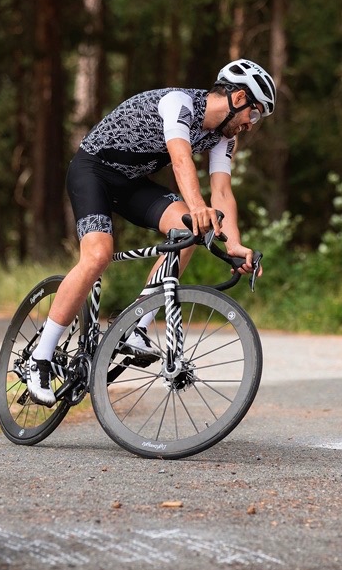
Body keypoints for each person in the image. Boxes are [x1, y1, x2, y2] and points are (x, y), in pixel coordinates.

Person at [25, 58, 276, 405]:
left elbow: (222, 192)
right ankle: (41, 357)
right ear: (237, 98)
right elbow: (180, 158)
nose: (252, 123)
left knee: (187, 230)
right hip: (93, 171)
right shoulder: (180, 104)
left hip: (130, 183)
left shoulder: (222, 138)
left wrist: (233, 243)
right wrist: (198, 206)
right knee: (97, 254)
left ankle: (136, 325)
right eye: (255, 112)